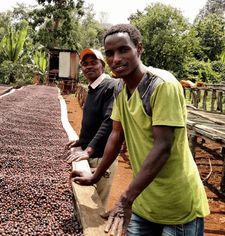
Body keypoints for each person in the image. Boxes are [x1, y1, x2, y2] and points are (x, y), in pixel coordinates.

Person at [71, 24, 210, 236]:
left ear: (139, 48)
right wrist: (95, 176)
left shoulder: (162, 85)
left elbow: (163, 146)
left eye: (123, 50)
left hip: (176, 205)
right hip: (143, 201)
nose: (116, 59)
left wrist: (124, 200)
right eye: (110, 53)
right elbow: (116, 136)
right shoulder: (119, 87)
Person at [65, 48, 118, 209]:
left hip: (102, 156)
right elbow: (91, 121)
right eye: (85, 64)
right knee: (86, 198)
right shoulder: (93, 88)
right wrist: (81, 141)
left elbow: (108, 122)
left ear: (102, 65)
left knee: (96, 204)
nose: (89, 67)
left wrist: (88, 150)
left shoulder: (110, 87)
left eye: (94, 63)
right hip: (91, 152)